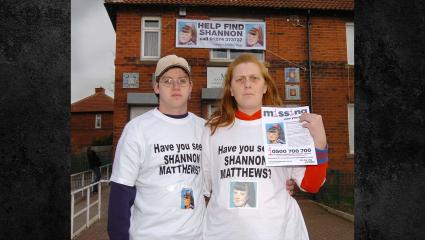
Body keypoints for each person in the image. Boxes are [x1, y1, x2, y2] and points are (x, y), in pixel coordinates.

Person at [202, 53, 329, 240]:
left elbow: (311, 185)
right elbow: (204, 185)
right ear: (230, 89)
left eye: (254, 78)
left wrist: (320, 144)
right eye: (240, 79)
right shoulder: (213, 129)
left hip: (278, 231)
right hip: (223, 231)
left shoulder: (285, 125)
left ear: (265, 87)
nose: (247, 84)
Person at [107, 55, 205, 240]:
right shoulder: (137, 129)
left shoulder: (204, 129)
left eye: (182, 81)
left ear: (191, 87)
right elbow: (120, 195)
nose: (176, 86)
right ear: (156, 87)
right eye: (167, 81)